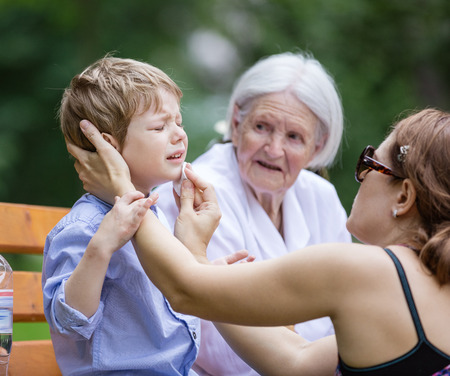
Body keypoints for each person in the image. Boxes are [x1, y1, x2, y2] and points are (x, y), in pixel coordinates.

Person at [74, 108, 450, 375]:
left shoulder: (366, 270)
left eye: (371, 164)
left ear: (403, 197)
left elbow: (183, 290)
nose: (362, 176)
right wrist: (198, 258)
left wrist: (122, 187)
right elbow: (295, 362)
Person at [72, 51, 352, 376]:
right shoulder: (199, 189)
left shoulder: (321, 197)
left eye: (293, 137)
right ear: (236, 121)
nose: (274, 150)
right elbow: (225, 355)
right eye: (261, 127)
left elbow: (345, 311)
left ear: (318, 146)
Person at [42, 56, 200, 375]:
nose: (179, 135)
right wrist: (101, 248)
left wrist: (205, 270)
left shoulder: (153, 214)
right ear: (109, 148)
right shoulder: (86, 227)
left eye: (179, 123)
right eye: (159, 126)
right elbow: (70, 322)